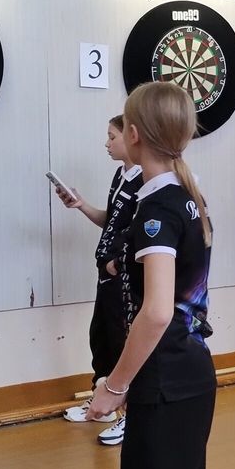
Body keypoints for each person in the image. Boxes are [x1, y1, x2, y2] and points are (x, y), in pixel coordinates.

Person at [86, 82, 224, 469]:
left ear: (135, 134)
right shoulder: (180, 196)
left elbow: (159, 312)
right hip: (183, 378)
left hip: (167, 383)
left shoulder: (159, 208)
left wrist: (113, 385)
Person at [56, 115, 143, 447]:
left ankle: (129, 413)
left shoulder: (145, 181)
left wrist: (118, 263)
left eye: (112, 137)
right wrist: (81, 206)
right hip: (104, 270)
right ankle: (102, 402)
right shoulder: (120, 175)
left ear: (132, 137)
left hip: (120, 273)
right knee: (102, 336)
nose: (107, 144)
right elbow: (112, 221)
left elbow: (137, 232)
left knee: (123, 340)